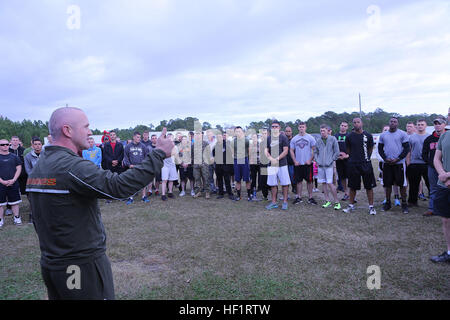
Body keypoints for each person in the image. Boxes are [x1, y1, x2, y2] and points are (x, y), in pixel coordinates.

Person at [25, 107, 173, 299]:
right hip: (78, 266)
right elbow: (119, 186)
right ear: (68, 130)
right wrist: (158, 153)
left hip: (52, 263)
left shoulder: (40, 167)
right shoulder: (70, 167)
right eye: (86, 126)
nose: (89, 132)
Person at [342, 118, 377, 215]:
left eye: (358, 122)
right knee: (352, 187)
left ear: (362, 123)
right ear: (352, 124)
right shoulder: (349, 136)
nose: (356, 124)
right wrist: (353, 158)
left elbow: (370, 148)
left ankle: (371, 207)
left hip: (366, 164)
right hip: (353, 164)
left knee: (369, 187)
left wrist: (366, 158)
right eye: (354, 122)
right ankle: (351, 205)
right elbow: (348, 149)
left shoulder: (368, 135)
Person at [429, 107, 450, 263]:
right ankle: (449, 252)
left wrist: (447, 175)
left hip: (446, 179)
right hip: (444, 185)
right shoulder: (445, 136)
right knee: (446, 220)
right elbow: (437, 158)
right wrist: (442, 174)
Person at [378, 117, 410, 213]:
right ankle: (388, 203)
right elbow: (380, 149)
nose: (393, 123)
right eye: (391, 121)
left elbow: (406, 148)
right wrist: (385, 158)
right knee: (387, 184)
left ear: (398, 123)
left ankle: (404, 204)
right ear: (389, 123)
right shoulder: (383, 135)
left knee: (402, 185)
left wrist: (398, 158)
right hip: (387, 164)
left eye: (395, 122)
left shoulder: (402, 134)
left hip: (399, 164)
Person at [422, 116, 448, 216]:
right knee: (433, 188)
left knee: (447, 187)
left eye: (440, 123)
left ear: (444, 124)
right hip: (432, 168)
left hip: (446, 168)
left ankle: (445, 209)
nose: (437, 125)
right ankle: (432, 208)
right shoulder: (429, 139)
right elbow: (424, 154)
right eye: (435, 123)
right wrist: (430, 163)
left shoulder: (448, 136)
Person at [289, 122, 317, 205]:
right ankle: (299, 197)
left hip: (307, 163)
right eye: (300, 127)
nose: (301, 128)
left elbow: (314, 149)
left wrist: (310, 160)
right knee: (298, 181)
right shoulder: (294, 139)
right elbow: (291, 150)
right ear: (298, 128)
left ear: (306, 128)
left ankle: (310, 197)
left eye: (303, 127)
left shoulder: (310, 138)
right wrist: (294, 161)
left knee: (309, 181)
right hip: (298, 164)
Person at [265, 121, 291, 210]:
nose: (274, 128)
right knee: (273, 184)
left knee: (285, 183)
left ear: (279, 128)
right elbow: (266, 151)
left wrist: (277, 159)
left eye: (276, 126)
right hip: (272, 165)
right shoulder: (268, 138)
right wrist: (271, 159)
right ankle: (274, 202)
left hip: (282, 164)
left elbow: (286, 151)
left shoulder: (283, 137)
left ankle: (285, 201)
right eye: (273, 127)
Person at [314, 125, 341, 210]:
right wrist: (317, 160)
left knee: (330, 183)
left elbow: (337, 152)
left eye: (324, 130)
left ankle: (337, 202)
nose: (322, 132)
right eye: (321, 131)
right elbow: (315, 152)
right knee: (323, 183)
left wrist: (332, 160)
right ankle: (327, 200)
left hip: (329, 165)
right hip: (321, 166)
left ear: (328, 131)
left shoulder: (332, 139)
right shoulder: (318, 140)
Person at [406, 119, 430, 207]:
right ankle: (412, 202)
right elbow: (409, 151)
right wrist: (408, 163)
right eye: (418, 124)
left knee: (430, 184)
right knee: (413, 184)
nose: (420, 126)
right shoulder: (412, 137)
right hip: (414, 163)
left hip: (426, 163)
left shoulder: (429, 137)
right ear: (416, 126)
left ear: (426, 126)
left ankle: (433, 203)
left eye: (422, 124)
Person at [0, 138, 23, 228]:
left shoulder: (14, 157)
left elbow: (19, 168)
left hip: (13, 183)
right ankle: (0, 220)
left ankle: (17, 217)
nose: (5, 146)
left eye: (7, 144)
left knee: (15, 202)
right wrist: (2, 181)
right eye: (2, 145)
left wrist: (13, 179)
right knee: (0, 204)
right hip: (1, 184)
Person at [123, 131, 150, 204]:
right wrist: (129, 165)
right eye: (137, 137)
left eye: (140, 137)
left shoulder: (143, 146)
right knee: (131, 182)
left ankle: (144, 196)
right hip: (132, 167)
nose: (139, 139)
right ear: (133, 137)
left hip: (141, 167)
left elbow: (146, 156)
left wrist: (144, 165)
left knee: (143, 182)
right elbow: (125, 157)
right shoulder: (128, 146)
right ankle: (130, 197)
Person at [231, 127, 252, 201]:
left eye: (239, 131)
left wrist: (248, 159)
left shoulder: (246, 140)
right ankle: (238, 196)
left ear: (242, 132)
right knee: (238, 179)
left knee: (247, 179)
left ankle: (249, 195)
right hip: (237, 160)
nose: (238, 133)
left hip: (244, 160)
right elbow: (232, 150)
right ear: (235, 133)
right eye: (236, 131)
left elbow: (249, 150)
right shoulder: (233, 141)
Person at [213, 132, 234, 200]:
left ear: (222, 137)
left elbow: (230, 156)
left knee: (227, 180)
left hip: (225, 165)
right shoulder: (215, 146)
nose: (219, 138)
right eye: (217, 137)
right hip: (218, 166)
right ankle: (221, 193)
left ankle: (230, 194)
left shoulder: (227, 145)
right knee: (219, 180)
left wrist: (230, 166)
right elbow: (213, 154)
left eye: (220, 137)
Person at [192, 131, 212, 199]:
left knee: (206, 178)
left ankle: (207, 192)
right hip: (196, 164)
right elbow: (192, 155)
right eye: (197, 134)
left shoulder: (206, 144)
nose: (198, 135)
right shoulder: (193, 144)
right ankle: (198, 192)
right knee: (197, 178)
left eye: (199, 134)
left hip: (204, 164)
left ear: (202, 135)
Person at [160, 133, 179, 201]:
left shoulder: (175, 147)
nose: (169, 139)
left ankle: (170, 192)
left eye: (170, 138)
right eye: (168, 138)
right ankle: (163, 194)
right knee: (164, 180)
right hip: (165, 165)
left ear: (172, 139)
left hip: (172, 165)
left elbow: (175, 155)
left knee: (171, 180)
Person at [335, 122, 350, 200]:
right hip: (338, 160)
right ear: (339, 126)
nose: (343, 127)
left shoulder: (349, 136)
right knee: (342, 177)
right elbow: (332, 148)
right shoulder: (335, 136)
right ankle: (346, 193)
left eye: (345, 126)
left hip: (348, 160)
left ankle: (351, 194)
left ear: (347, 127)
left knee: (350, 177)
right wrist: (337, 155)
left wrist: (347, 155)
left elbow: (353, 148)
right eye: (342, 125)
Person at [284, 126, 296, 194]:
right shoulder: (283, 139)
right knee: (285, 179)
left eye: (289, 131)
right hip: (285, 162)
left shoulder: (294, 140)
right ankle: (286, 194)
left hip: (292, 162)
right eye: (286, 131)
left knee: (293, 178)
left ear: (291, 131)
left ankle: (295, 189)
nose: (288, 132)